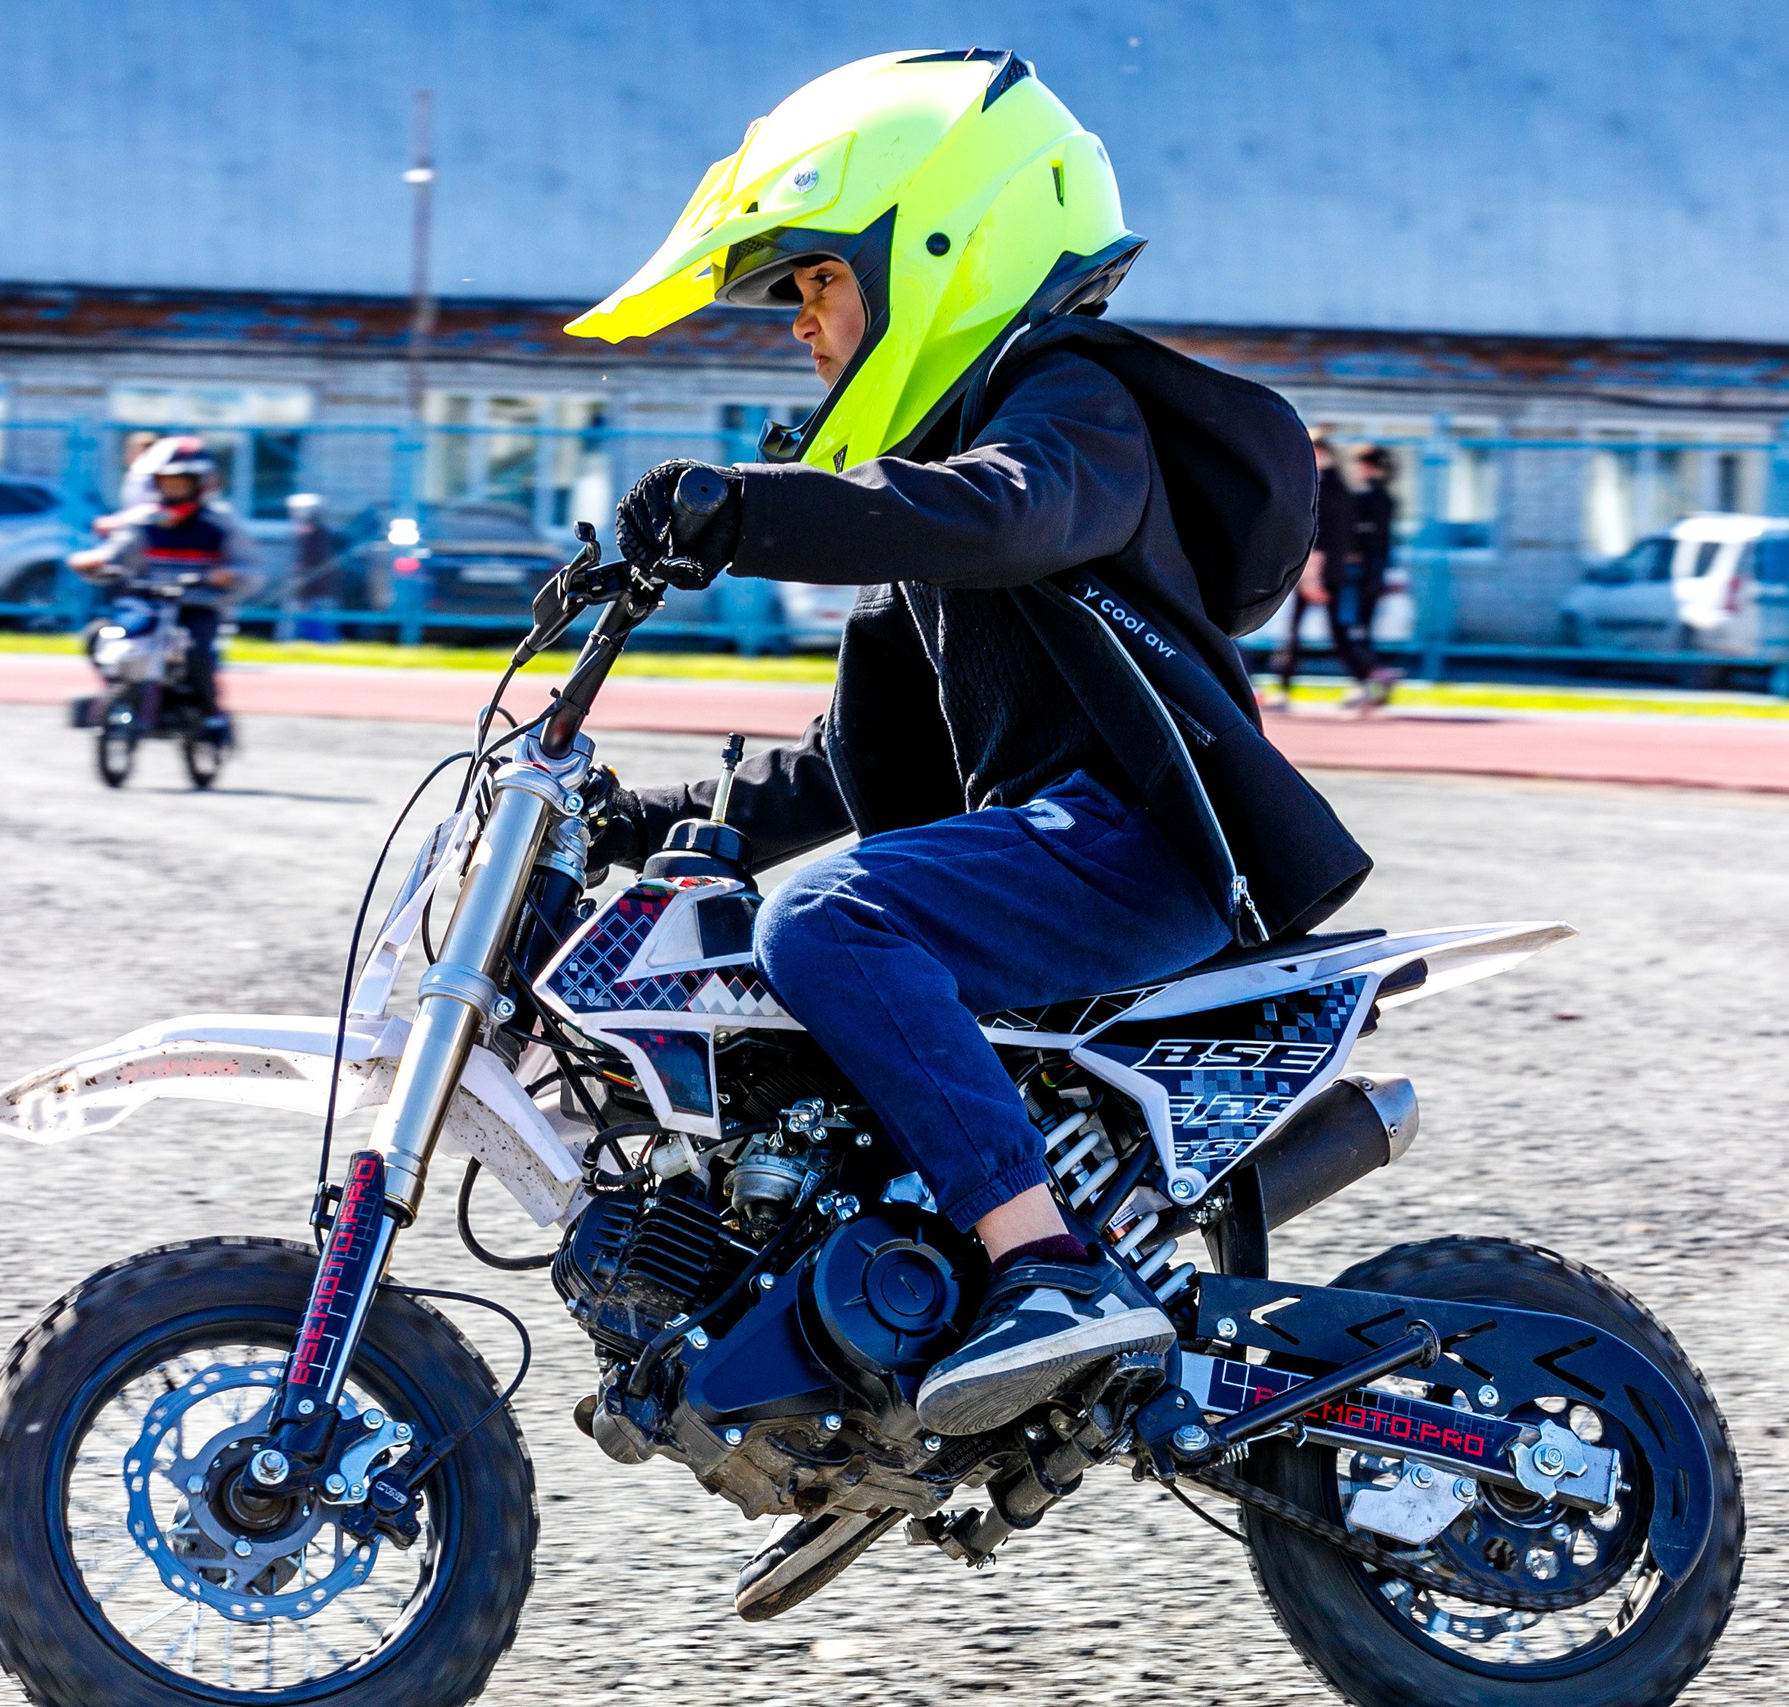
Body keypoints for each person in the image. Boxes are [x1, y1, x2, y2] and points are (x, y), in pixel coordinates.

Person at [566, 50, 1372, 1611]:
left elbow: (1007, 507)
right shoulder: (934, 545)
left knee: (830, 921)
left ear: (941, 242)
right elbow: (845, 777)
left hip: (1135, 844)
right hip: (1053, 843)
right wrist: (647, 821)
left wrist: (755, 508)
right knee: (759, 912)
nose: (799, 325)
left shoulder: (1074, 404)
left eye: (812, 280)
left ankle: (1044, 1265)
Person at [69, 439, 252, 730]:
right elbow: (118, 552)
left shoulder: (220, 524)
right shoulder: (144, 522)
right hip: (148, 606)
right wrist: (94, 562)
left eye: (180, 484)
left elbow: (249, 567)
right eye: (167, 483)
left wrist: (229, 575)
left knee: (197, 654)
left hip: (195, 608)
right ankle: (123, 691)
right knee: (101, 636)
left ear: (200, 485)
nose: (173, 490)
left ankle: (209, 714)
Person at [1262, 430, 1371, 708]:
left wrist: (1312, 578)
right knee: (1333, 631)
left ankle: (1286, 689)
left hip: (1317, 570)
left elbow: (1319, 536)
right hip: (1332, 570)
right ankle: (1367, 680)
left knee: (1299, 632)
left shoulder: (1324, 487)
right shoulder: (1343, 488)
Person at [1341, 443, 1400, 706]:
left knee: (1350, 628)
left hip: (1360, 571)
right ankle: (1370, 680)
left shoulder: (1364, 497)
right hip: (1376, 570)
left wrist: (1350, 553)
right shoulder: (1387, 498)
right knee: (1362, 628)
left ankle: (1373, 677)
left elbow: (1361, 536)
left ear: (1367, 466)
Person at [285, 493, 342, 642]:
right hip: (304, 589)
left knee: (322, 627)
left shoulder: (319, 535)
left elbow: (314, 563)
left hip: (317, 590)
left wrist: (302, 585)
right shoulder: (303, 533)